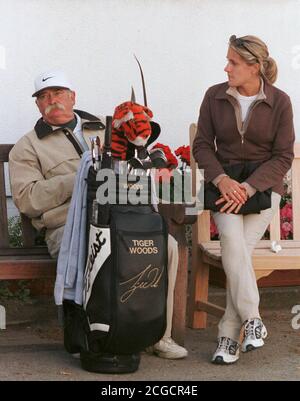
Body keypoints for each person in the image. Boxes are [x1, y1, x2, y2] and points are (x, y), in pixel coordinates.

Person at [9, 70, 187, 360]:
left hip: (121, 216)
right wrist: (81, 176)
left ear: (72, 97)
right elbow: (28, 200)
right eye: (43, 96)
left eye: (57, 93)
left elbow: (137, 159)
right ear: (38, 106)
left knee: (166, 247)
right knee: (101, 251)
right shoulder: (27, 147)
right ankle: (94, 335)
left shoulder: (105, 129)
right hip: (68, 226)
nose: (51, 100)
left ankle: (157, 335)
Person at [193, 35, 295, 365]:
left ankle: (228, 334)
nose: (226, 68)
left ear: (254, 67)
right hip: (225, 191)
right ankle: (252, 320)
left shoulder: (280, 101)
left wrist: (248, 188)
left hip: (263, 191)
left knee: (236, 250)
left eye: (233, 62)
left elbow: (282, 157)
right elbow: (203, 146)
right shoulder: (214, 96)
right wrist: (223, 181)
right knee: (235, 244)